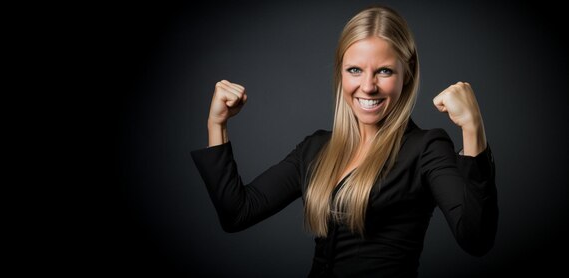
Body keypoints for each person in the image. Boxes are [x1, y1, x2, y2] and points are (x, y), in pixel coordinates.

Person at [190, 5, 498, 277]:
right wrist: (216, 124)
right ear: (341, 73)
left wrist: (472, 128)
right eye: (355, 70)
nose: (368, 86)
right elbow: (237, 213)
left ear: (408, 73)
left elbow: (476, 239)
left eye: (385, 71)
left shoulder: (426, 148)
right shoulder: (316, 149)